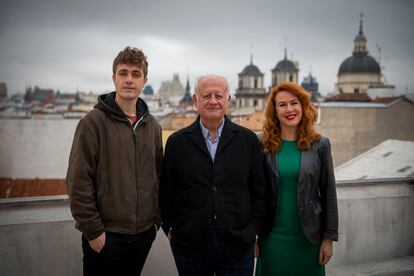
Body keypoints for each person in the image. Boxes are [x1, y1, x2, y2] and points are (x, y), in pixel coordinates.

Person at [66, 46, 163, 275]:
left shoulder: (153, 126)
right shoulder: (93, 123)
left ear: (144, 80)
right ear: (114, 78)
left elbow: (160, 176)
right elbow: (78, 181)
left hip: (142, 236)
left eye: (135, 74)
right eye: (123, 73)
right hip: (106, 237)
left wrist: (155, 221)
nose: (129, 80)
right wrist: (94, 232)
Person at [160, 75, 265, 276]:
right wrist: (171, 230)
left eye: (219, 95)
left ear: (228, 99)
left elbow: (259, 192)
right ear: (194, 100)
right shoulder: (177, 142)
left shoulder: (248, 140)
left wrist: (252, 232)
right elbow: (166, 192)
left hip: (237, 242)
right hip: (189, 243)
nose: (213, 101)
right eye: (206, 95)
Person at [255, 81, 338, 276]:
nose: (289, 109)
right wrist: (253, 237)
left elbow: (329, 193)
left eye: (294, 103)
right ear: (274, 111)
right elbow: (253, 192)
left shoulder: (320, 144)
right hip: (271, 236)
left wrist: (329, 238)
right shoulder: (261, 143)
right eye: (282, 105)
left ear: (303, 106)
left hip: (309, 237)